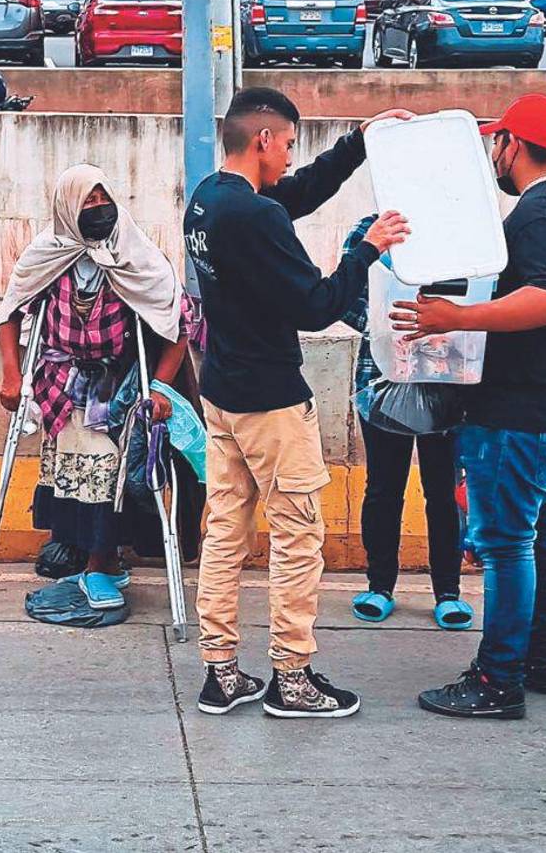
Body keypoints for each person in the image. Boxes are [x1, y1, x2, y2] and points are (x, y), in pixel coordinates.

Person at [184, 86, 412, 719]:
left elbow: (299, 193)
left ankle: (221, 670)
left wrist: (359, 143)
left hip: (223, 390)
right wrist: (368, 250)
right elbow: (317, 306)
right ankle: (293, 676)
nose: (289, 156)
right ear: (262, 140)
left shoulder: (209, 200)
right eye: (286, 144)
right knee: (296, 536)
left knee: (226, 529)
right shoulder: (254, 216)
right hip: (272, 402)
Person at [391, 94, 546, 720]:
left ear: (513, 144)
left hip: (521, 415)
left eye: (496, 144)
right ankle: (540, 660)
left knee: (508, 544)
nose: (493, 156)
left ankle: (498, 679)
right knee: (544, 535)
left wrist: (456, 317)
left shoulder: (540, 211)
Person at [0, 164, 202, 613]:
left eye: (104, 200)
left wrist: (160, 386)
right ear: (68, 209)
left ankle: (101, 565)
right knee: (75, 477)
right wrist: (12, 374)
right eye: (88, 202)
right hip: (60, 383)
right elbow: (10, 310)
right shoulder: (48, 252)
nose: (100, 210)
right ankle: (100, 561)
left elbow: (178, 322)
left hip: (120, 385)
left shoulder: (133, 251)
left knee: (109, 474)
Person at [339, 215, 471, 630]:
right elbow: (346, 296)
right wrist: (388, 324)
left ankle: (448, 592)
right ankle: (379, 586)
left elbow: (479, 296)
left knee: (443, 490)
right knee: (383, 488)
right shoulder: (370, 231)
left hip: (446, 378)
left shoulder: (461, 230)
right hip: (382, 377)